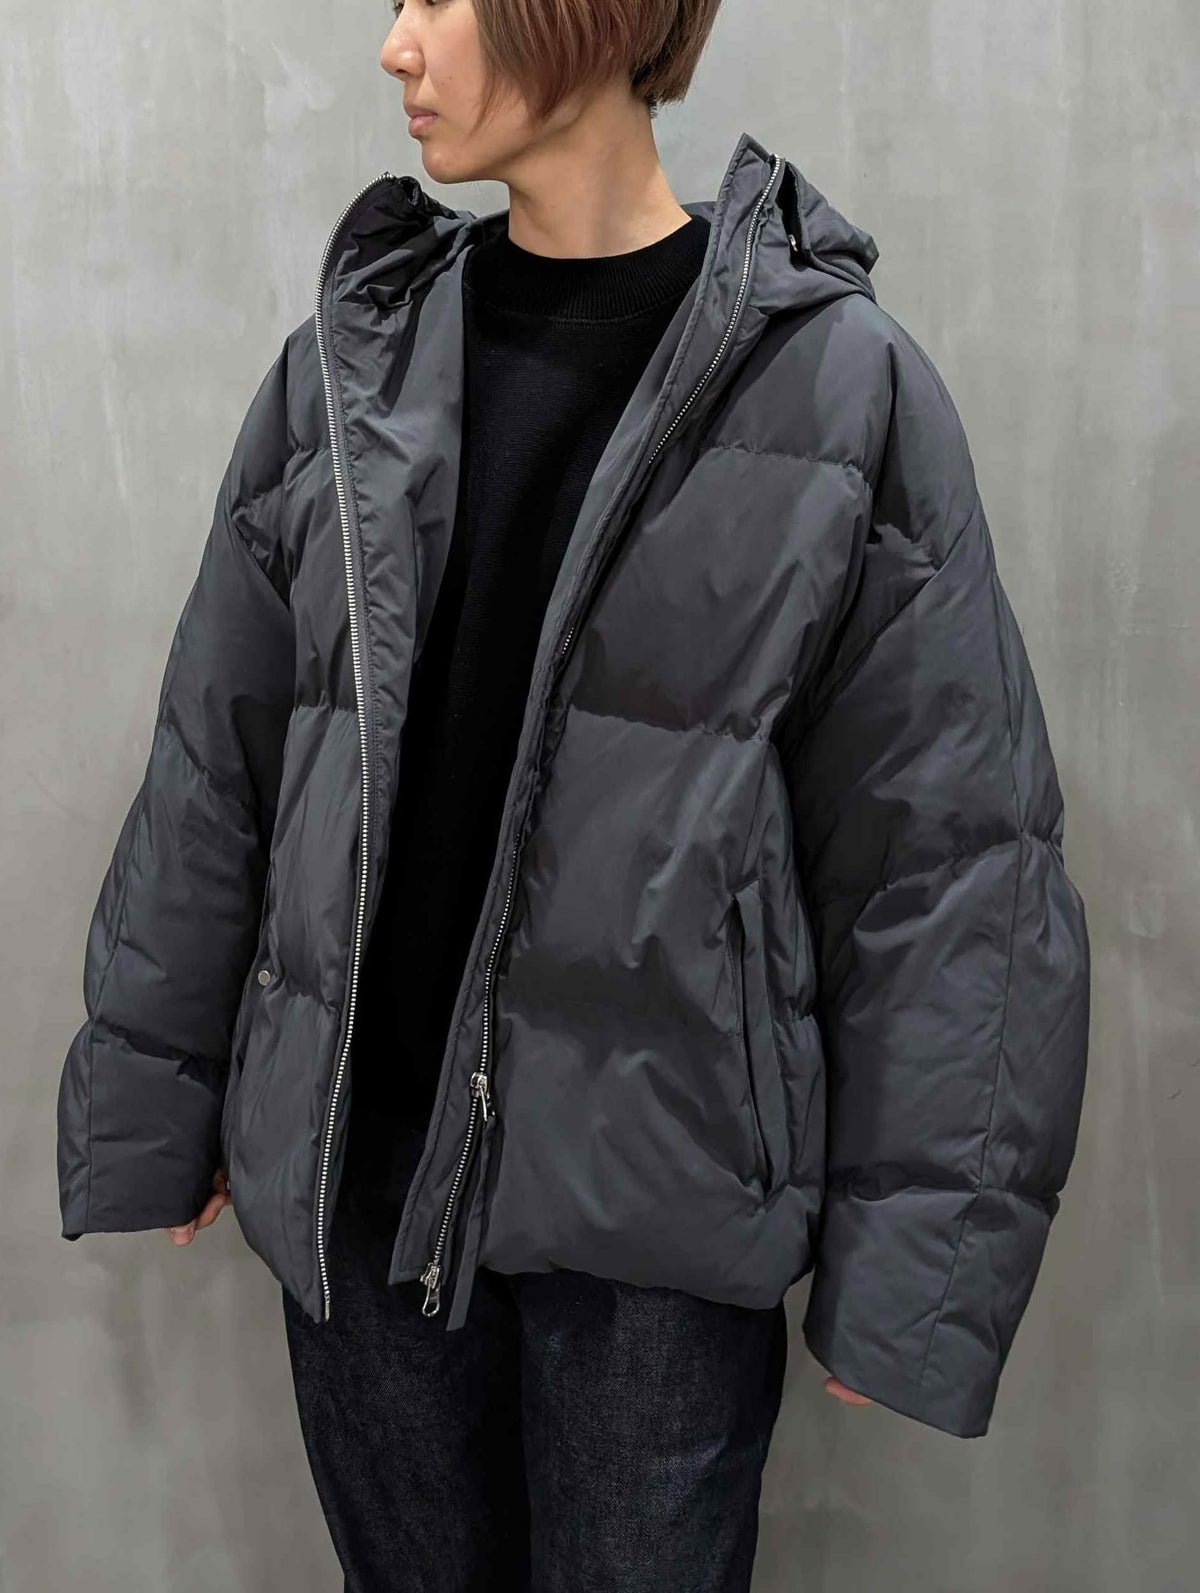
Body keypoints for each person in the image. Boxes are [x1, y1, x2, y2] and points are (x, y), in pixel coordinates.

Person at [56, 1, 1091, 1588]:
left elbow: (950, 854)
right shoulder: (349, 366)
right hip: (360, 1189)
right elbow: (224, 749)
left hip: (652, 1238)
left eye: (440, 0)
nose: (397, 48)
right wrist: (158, 1091)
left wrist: (919, 1270)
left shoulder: (832, 385)